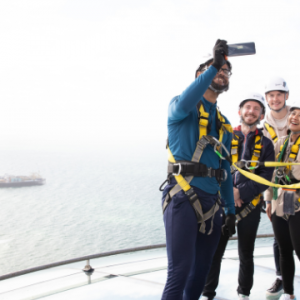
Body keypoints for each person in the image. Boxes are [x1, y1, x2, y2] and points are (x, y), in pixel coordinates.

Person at [160, 39, 235, 300]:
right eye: (217, 69)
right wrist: (214, 65)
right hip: (183, 196)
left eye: (226, 71)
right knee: (179, 272)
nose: (222, 73)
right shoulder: (180, 107)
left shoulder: (225, 126)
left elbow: (225, 170)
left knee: (201, 272)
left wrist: (230, 211)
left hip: (212, 204)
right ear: (199, 75)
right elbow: (185, 102)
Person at [202, 93, 275, 300]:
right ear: (239, 111)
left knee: (246, 253)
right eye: (247, 107)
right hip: (222, 204)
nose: (251, 111)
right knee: (215, 252)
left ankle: (244, 294)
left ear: (261, 115)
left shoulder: (266, 145)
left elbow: (265, 177)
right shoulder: (224, 137)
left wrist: (240, 193)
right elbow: (211, 165)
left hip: (249, 206)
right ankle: (208, 294)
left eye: (256, 109)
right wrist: (228, 193)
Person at [266, 101, 300, 300]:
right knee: (284, 249)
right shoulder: (281, 143)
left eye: (299, 115)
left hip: (296, 203)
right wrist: (269, 201)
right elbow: (272, 175)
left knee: (299, 249)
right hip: (281, 201)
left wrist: (285, 171)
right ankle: (289, 293)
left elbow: (294, 172)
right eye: (293, 114)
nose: (294, 117)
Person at [263, 77, 290, 297]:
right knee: (279, 236)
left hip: (297, 184)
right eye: (271, 95)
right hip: (277, 187)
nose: (275, 98)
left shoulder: (297, 116)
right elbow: (263, 166)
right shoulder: (263, 125)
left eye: (279, 94)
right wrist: (267, 199)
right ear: (267, 99)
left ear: (286, 96)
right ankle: (281, 277)